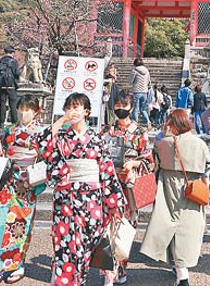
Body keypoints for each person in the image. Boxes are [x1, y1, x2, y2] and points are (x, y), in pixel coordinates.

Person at [39, 93, 126, 286]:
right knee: (65, 244)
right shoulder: (61, 137)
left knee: (88, 244)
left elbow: (107, 170)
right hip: (66, 198)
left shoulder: (97, 138)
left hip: (93, 199)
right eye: (68, 107)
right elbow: (42, 144)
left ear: (87, 111)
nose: (72, 111)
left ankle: (82, 279)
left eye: (77, 107)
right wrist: (62, 120)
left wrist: (113, 203)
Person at [140, 109, 210, 286]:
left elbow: (155, 157)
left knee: (167, 223)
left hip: (168, 187)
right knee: (188, 228)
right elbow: (206, 170)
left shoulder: (164, 143)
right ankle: (182, 270)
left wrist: (165, 130)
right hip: (193, 187)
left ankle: (180, 271)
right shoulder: (199, 144)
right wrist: (206, 189)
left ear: (171, 124)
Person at [0, 95, 46, 285]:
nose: (23, 113)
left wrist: (36, 178)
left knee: (20, 226)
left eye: (28, 109)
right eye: (21, 108)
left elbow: (48, 158)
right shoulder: (9, 131)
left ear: (36, 111)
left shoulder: (41, 133)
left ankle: (16, 264)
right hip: (8, 181)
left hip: (27, 183)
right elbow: (0, 150)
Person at [100, 91, 154, 286]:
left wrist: (134, 164)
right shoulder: (106, 130)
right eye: (117, 106)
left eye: (124, 105)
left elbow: (149, 159)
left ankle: (121, 267)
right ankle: (109, 272)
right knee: (106, 228)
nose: (120, 109)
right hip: (107, 184)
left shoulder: (139, 131)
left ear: (131, 108)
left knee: (124, 229)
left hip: (128, 186)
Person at [0, 46, 22, 129]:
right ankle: (14, 122)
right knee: (12, 104)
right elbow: (17, 73)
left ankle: (1, 122)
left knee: (2, 103)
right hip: (10, 85)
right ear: (12, 53)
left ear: (4, 52)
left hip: (0, 84)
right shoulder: (13, 61)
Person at [128, 58, 152, 125]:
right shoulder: (147, 71)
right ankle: (148, 121)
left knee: (135, 110)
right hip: (145, 93)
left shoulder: (134, 70)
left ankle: (136, 124)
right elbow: (149, 82)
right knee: (143, 109)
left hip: (137, 92)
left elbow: (130, 81)